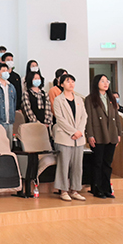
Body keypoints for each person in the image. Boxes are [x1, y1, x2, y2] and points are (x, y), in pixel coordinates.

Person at [85, 74, 122, 199]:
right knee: (98, 163)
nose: (106, 83)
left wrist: (119, 133)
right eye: (102, 81)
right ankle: (97, 189)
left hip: (111, 134)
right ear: (96, 83)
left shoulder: (111, 98)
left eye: (107, 81)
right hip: (98, 134)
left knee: (107, 163)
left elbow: (116, 117)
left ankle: (106, 189)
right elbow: (88, 118)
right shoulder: (90, 99)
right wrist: (90, 135)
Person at [52, 74, 87, 202]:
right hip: (65, 137)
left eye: (73, 81)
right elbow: (60, 119)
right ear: (61, 84)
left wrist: (80, 131)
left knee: (77, 165)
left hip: (79, 138)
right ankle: (63, 191)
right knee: (64, 165)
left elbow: (84, 116)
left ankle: (75, 190)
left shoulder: (79, 99)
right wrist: (73, 131)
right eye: (68, 81)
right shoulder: (58, 100)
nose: (71, 84)